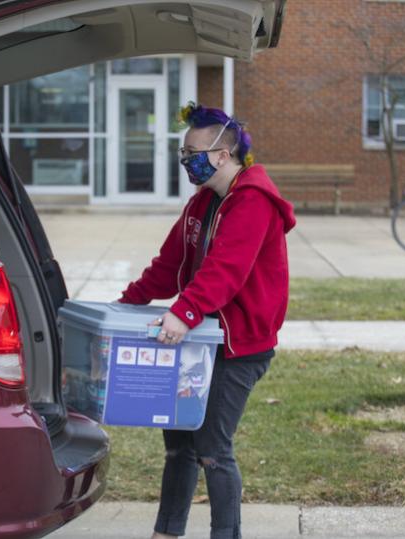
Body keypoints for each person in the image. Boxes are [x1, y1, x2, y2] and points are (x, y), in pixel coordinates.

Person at [117, 102, 296, 539]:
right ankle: (167, 532)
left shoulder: (253, 202)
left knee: (212, 448)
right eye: (183, 152)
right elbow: (167, 265)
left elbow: (227, 271)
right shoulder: (203, 204)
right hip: (201, 339)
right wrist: (126, 304)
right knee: (178, 446)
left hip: (240, 346)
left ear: (222, 154)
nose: (186, 160)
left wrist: (184, 312)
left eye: (193, 151)